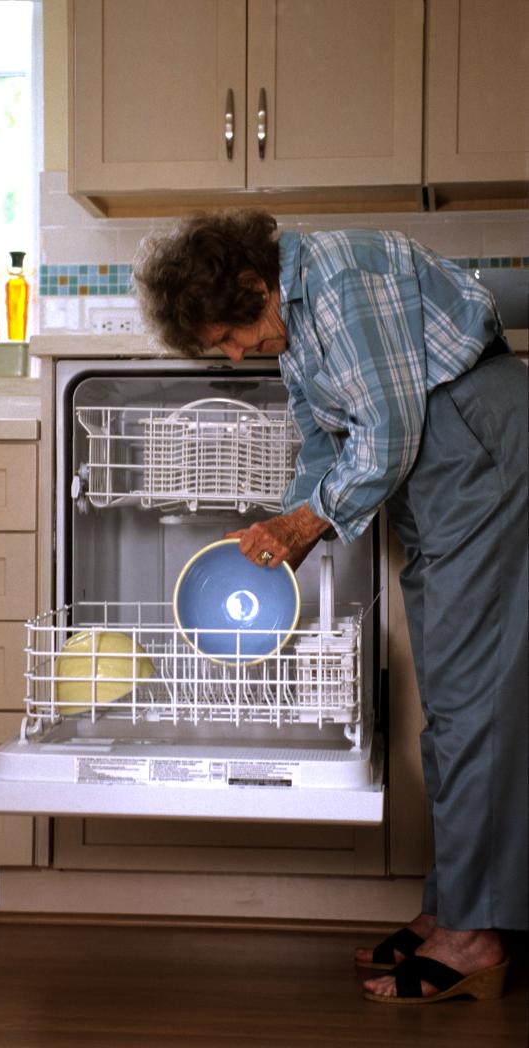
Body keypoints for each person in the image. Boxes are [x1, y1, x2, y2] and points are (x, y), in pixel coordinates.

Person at [133, 210, 528, 1004]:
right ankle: (453, 906)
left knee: (474, 700)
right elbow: (324, 440)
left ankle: (477, 935)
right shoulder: (296, 314)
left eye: (231, 336)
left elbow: (384, 436)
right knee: (454, 701)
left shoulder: (342, 280)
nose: (236, 354)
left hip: (472, 441)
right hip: (438, 461)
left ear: (252, 285)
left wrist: (308, 519)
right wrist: (291, 532)